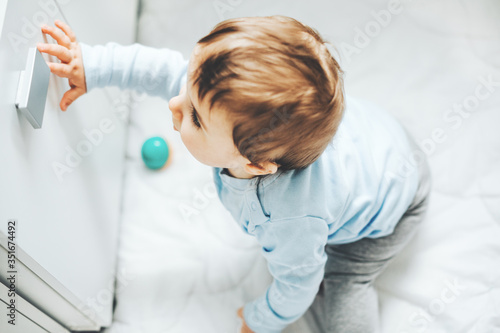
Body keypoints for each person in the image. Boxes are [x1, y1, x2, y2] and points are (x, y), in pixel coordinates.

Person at [38, 16, 432, 333]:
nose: (175, 102)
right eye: (189, 87)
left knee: (343, 281)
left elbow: (298, 286)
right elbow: (162, 71)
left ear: (256, 166)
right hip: (377, 138)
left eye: (194, 117)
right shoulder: (219, 102)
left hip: (399, 199)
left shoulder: (292, 219)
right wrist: (94, 65)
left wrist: (262, 319)